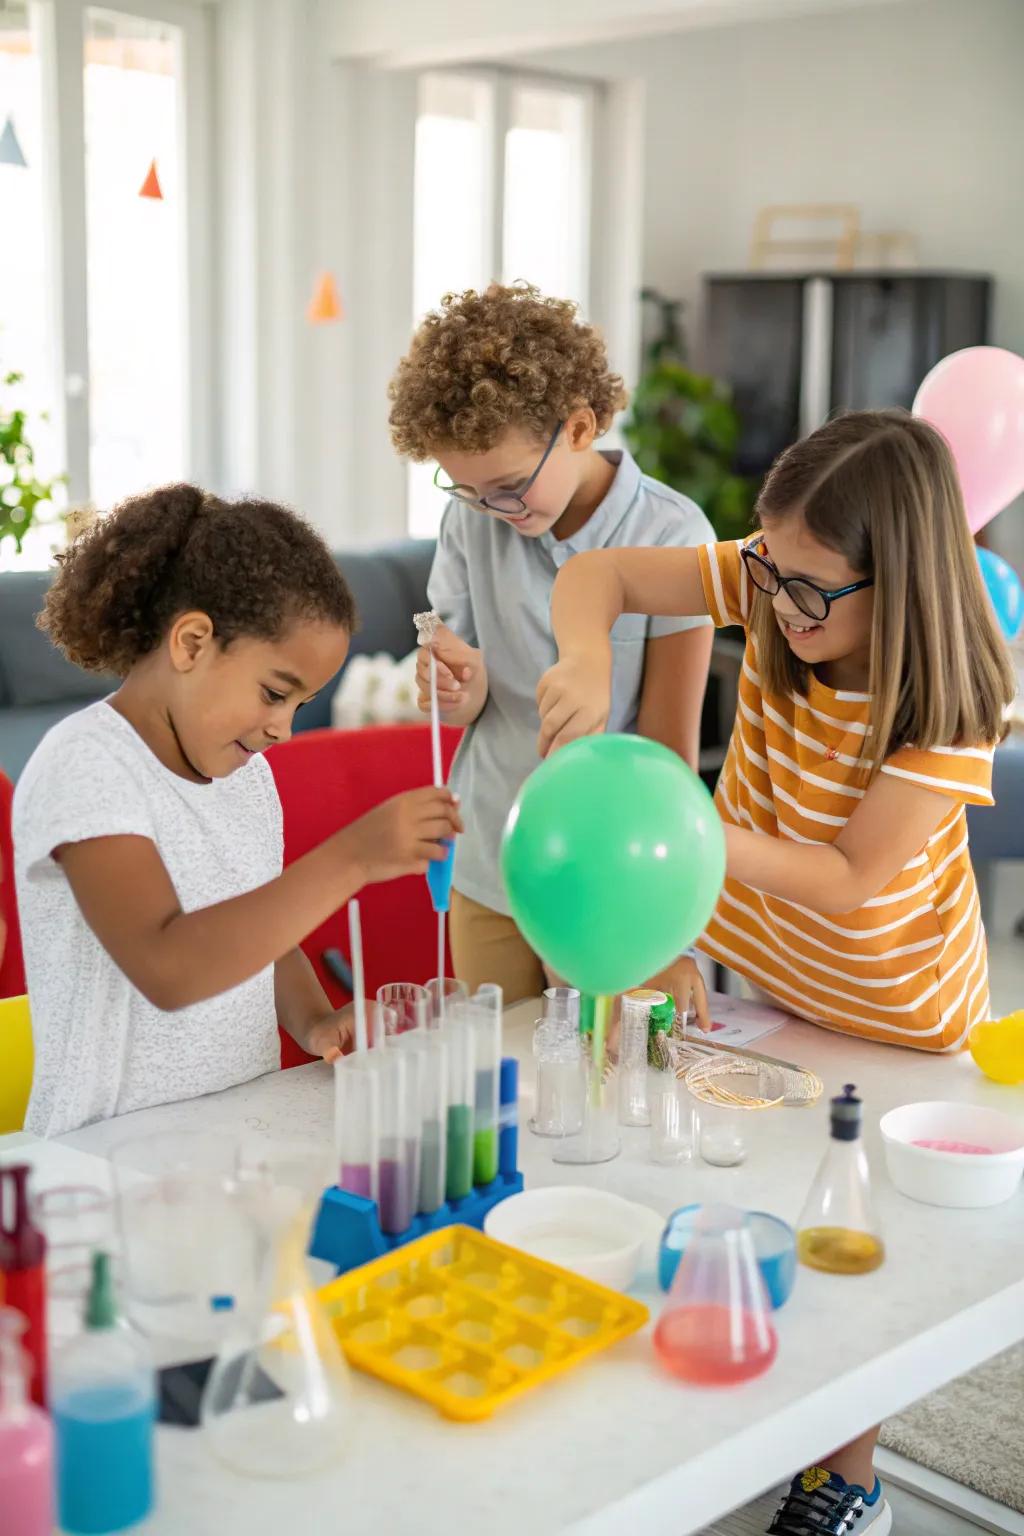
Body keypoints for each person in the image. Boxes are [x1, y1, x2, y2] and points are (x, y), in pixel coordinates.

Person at [535, 408, 1016, 1536]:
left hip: (900, 1020)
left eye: (810, 589)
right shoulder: (769, 581)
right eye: (766, 567)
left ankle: (844, 1480)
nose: (777, 602)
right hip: (767, 979)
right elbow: (597, 574)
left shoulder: (957, 696)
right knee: (734, 1194)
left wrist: (675, 828)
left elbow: (848, 876)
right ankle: (749, 1424)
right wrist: (583, 649)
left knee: (857, 1255)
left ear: (896, 583)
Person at [14, 486, 461, 1138]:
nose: (282, 728)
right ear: (192, 642)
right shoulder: (87, 766)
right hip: (105, 1158)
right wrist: (353, 856)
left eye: (300, 707)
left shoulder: (245, 777)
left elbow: (262, 933)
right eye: (274, 693)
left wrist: (314, 1019)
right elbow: (168, 967)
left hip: (231, 1138)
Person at [389, 282, 715, 1015]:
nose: (492, 511)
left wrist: (661, 926)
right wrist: (453, 684)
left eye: (507, 487)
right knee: (501, 1080)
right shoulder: (472, 522)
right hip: (488, 868)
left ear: (577, 427)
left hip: (607, 876)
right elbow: (470, 688)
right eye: (467, 491)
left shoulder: (673, 537)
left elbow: (669, 753)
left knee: (603, 1088)